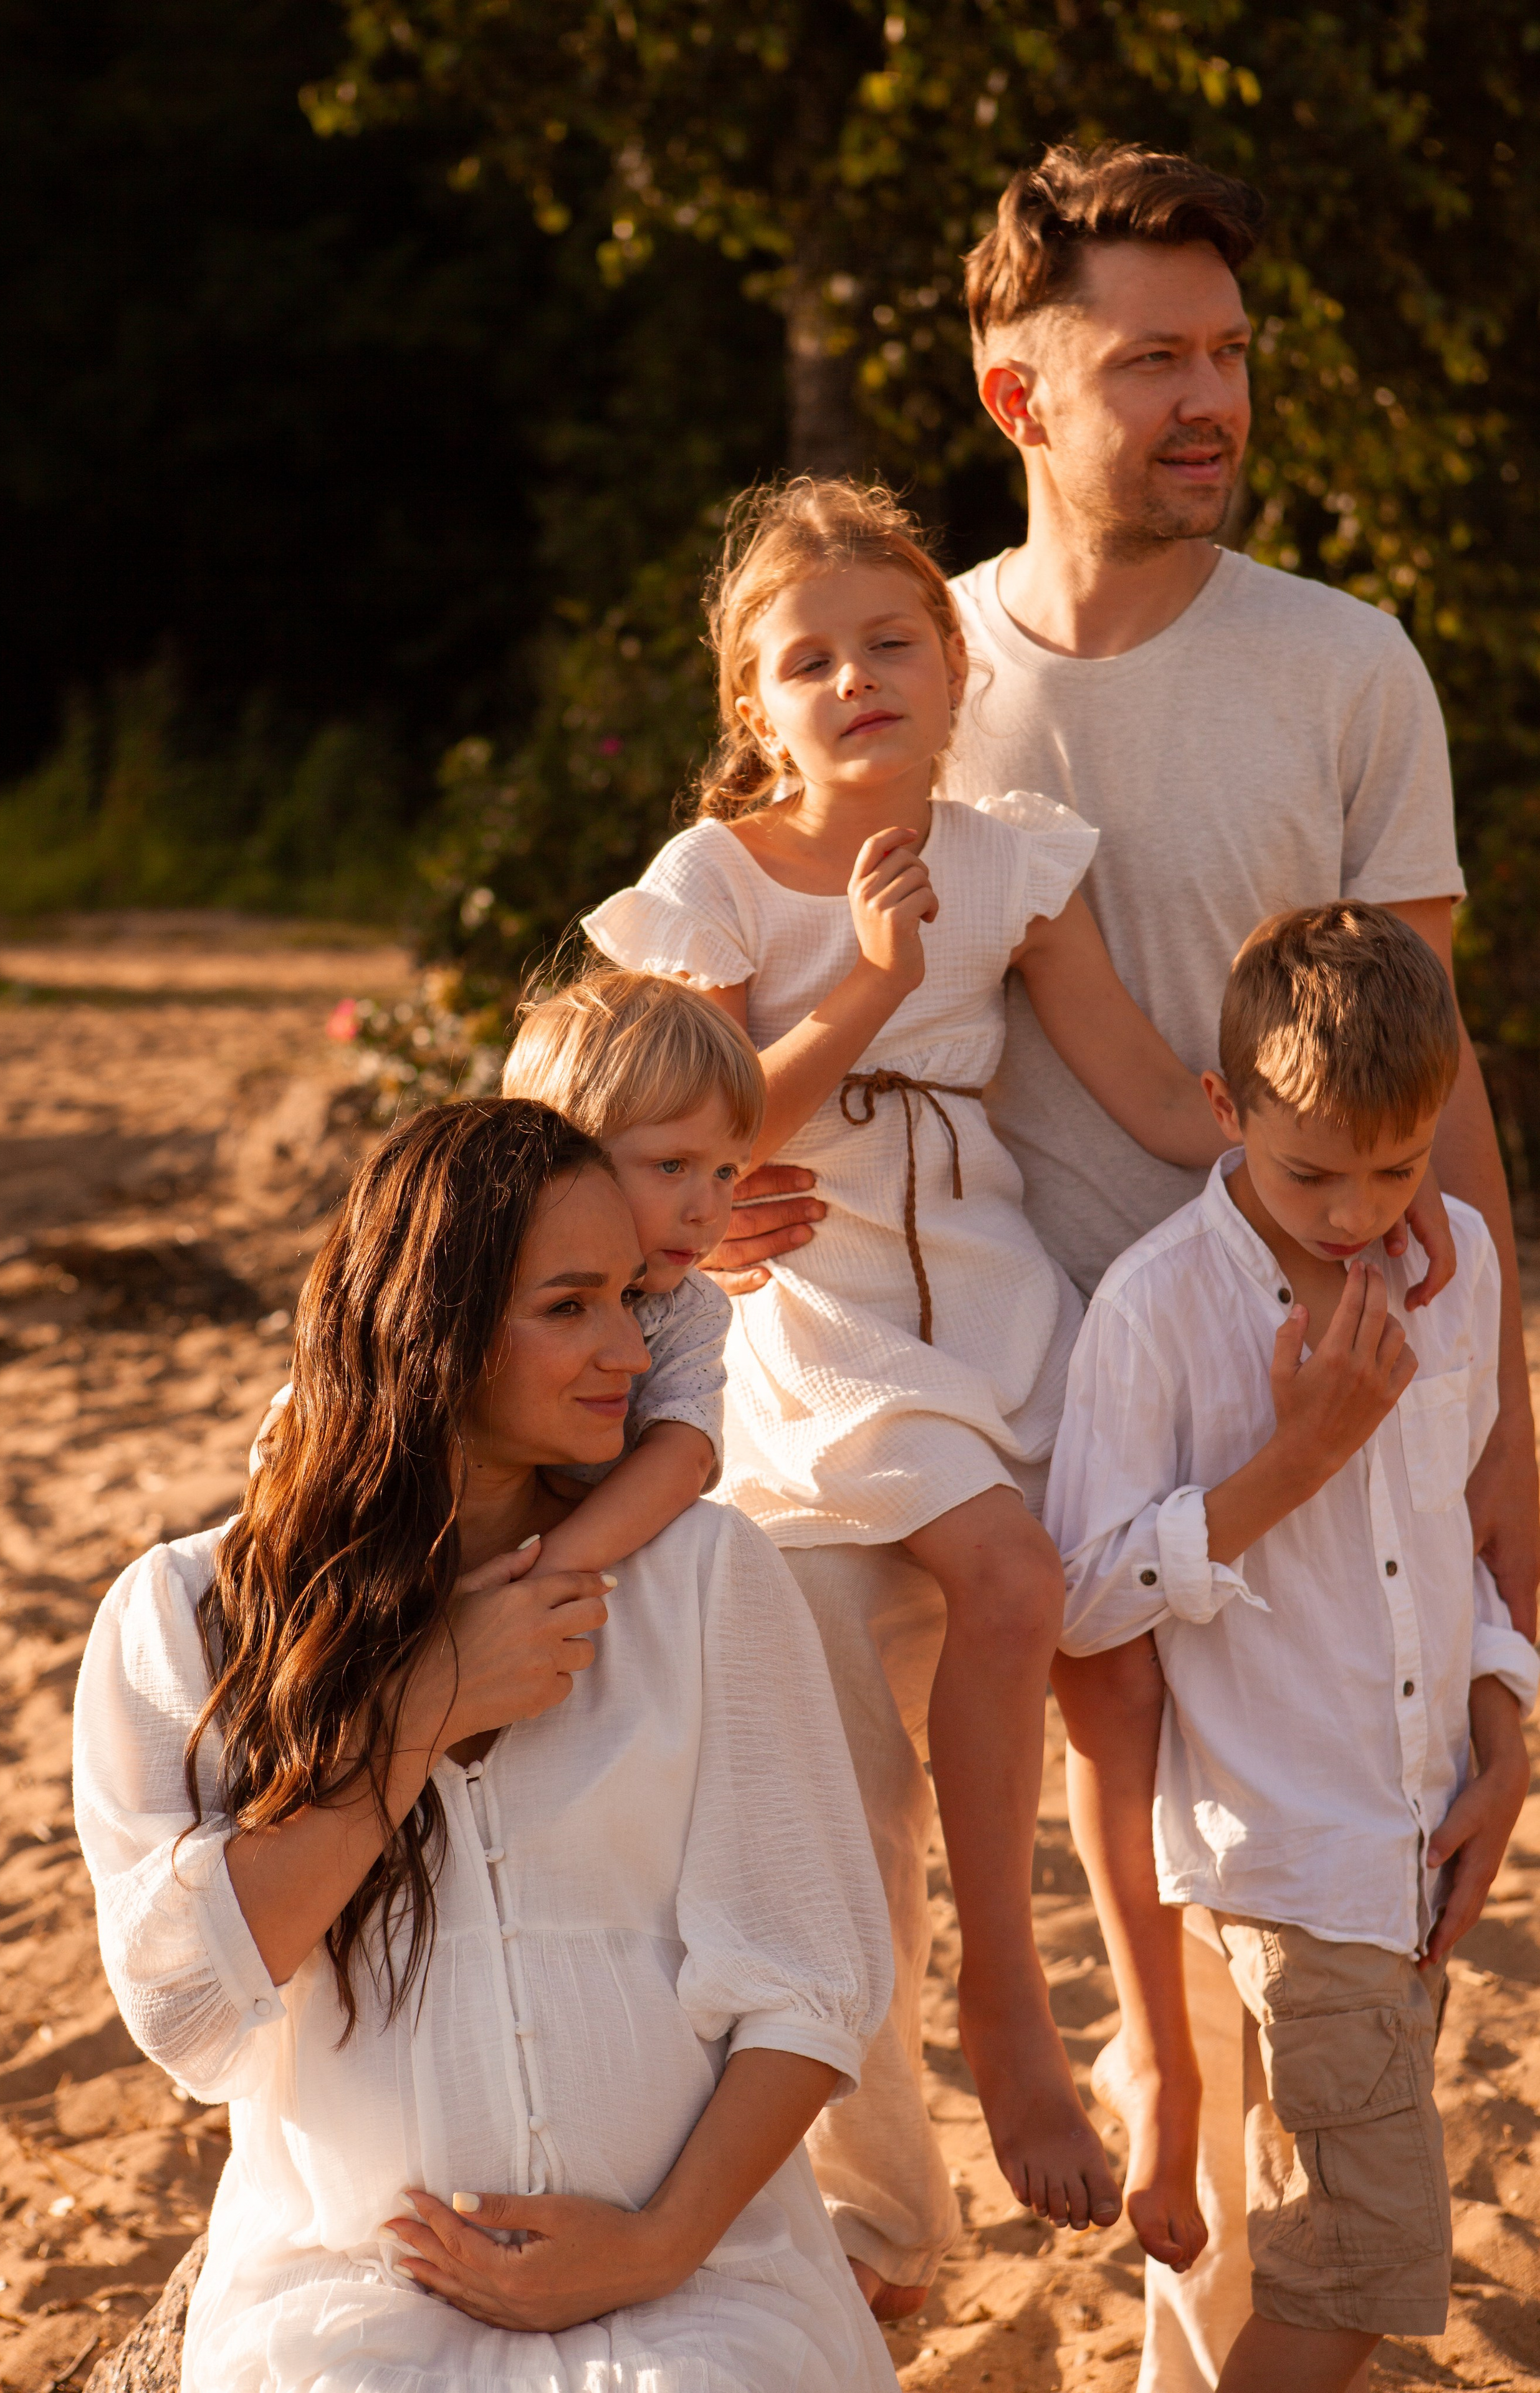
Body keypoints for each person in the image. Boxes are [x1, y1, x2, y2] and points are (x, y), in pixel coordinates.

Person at [706, 138, 1531, 2271]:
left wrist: (1502, 1441)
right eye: (1153, 355)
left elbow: (1418, 1074)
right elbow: (738, 948)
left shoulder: (1349, 667)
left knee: (1243, 1881)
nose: (1212, 401)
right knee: (824, 1831)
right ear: (1017, 393)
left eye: (1232, 354)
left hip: (1242, 1376)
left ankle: (1195, 2292)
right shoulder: (895, 651)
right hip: (920, 1362)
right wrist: (681, 1200)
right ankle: (874, 2263)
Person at [582, 473, 1232, 2311]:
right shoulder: (716, 882)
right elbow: (702, 1131)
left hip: (1000, 1308)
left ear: (953, 668)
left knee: (1068, 1629)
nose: (854, 679)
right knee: (986, 1611)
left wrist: (1333, 1172)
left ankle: (1099, 2052)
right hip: (826, 1317)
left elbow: (1147, 1092)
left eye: (891, 643)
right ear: (753, 705)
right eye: (807, 660)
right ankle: (1000, 2010)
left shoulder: (1017, 854)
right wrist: (867, 977)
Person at [72, 1097, 899, 2393]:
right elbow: (184, 2002)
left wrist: (649, 2249)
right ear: (430, 1333)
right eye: (567, 1305)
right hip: (345, 2296)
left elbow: (805, 1985)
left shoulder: (701, 1580)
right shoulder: (186, 1618)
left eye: (630, 1297)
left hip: (703, 2283)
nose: (629, 1347)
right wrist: (417, 1709)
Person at [1050, 902, 1537, 2393]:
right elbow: (1080, 1600)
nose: (1352, 1210)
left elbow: (1451, 1540)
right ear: (1223, 1111)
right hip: (1283, 1855)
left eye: (1391, 1165)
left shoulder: (1449, 1258)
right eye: (1308, 1169)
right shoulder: (1156, 1305)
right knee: (1362, 2260)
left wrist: (1504, 1726)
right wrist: (1295, 1454)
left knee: (1314, 2235)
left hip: (1422, 1837)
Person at [499, 967, 760, 1574]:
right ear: (571, 1149)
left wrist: (548, 1570)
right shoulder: (488, 1260)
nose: (708, 1210)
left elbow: (683, 1454)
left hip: (581, 1553)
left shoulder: (689, 1309)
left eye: (727, 1172)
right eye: (672, 1166)